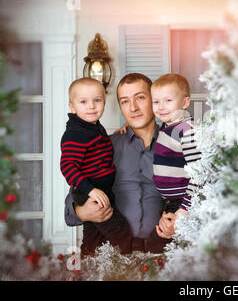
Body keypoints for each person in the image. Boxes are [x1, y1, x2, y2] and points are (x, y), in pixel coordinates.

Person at [64, 73, 176, 254]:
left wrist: (178, 220)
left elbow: (194, 195)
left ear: (154, 100)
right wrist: (81, 211)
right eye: (125, 101)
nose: (133, 107)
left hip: (160, 255)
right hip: (107, 256)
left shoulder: (175, 146)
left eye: (140, 97)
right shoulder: (104, 145)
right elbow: (74, 193)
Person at [60, 78, 132, 255]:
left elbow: (96, 150)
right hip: (90, 191)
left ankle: (86, 265)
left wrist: (119, 131)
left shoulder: (93, 128)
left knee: (94, 237)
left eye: (97, 100)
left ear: (104, 103)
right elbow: (67, 167)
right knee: (121, 234)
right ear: (72, 107)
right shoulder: (75, 133)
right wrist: (91, 191)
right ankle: (130, 269)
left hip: (101, 189)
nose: (91, 106)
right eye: (83, 102)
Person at [150, 73, 202, 220]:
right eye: (156, 102)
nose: (161, 107)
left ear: (185, 103)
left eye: (168, 100)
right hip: (170, 201)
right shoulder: (168, 126)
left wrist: (185, 208)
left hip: (185, 203)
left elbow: (199, 173)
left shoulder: (186, 130)